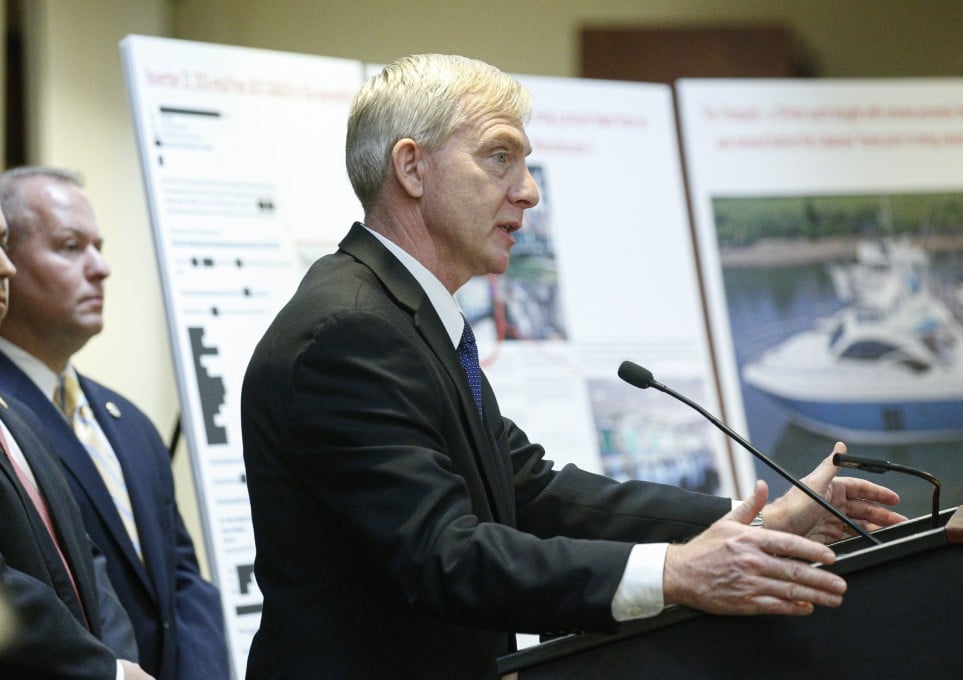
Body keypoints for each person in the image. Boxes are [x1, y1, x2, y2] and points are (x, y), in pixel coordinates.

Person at [241, 54, 906, 678]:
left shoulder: (404, 317)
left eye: (525, 164)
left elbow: (531, 494)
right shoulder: (349, 333)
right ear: (411, 168)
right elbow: (445, 557)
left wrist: (768, 519)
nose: (528, 192)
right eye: (499, 157)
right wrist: (674, 572)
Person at [0, 167, 229, 680]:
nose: (100, 267)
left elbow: (183, 580)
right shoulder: (9, 419)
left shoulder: (130, 424)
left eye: (98, 246)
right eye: (69, 246)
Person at [0, 205, 153, 679]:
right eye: (70, 246)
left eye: (3, 244)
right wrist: (106, 673)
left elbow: (89, 564)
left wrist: (120, 664)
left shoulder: (20, 418)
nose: (6, 267)